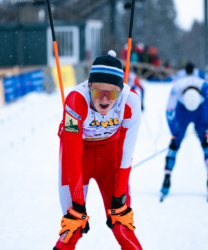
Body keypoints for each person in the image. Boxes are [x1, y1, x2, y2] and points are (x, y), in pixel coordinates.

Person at [53, 50, 143, 250]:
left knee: (121, 223)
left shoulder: (131, 101)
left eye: (111, 93)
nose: (104, 100)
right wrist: (77, 204)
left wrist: (119, 196)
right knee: (73, 226)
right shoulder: (75, 101)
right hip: (78, 156)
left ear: (121, 90)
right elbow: (73, 156)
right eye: (97, 92)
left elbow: (125, 154)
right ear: (89, 86)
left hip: (110, 154)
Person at [161, 62, 208, 196]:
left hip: (200, 109)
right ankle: (167, 178)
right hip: (182, 110)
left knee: (206, 143)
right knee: (175, 144)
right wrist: (173, 134)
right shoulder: (177, 87)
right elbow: (169, 111)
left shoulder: (204, 86)